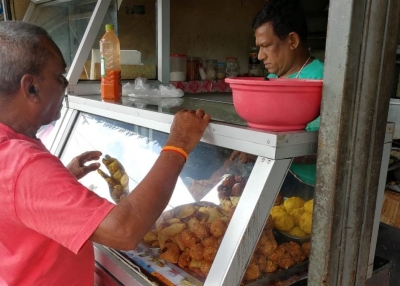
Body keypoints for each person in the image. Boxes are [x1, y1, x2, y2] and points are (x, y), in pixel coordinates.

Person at [0, 21, 210, 285]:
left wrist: (59, 182)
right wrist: (178, 144)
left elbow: (16, 200)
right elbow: (124, 231)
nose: (66, 85)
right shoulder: (25, 166)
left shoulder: (10, 146)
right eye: (59, 77)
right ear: (31, 87)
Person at [230, 0, 324, 198]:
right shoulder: (271, 80)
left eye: (266, 46)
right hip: (274, 177)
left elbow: (325, 150)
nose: (260, 56)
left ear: (292, 41)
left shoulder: (322, 80)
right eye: (258, 47)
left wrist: (261, 148)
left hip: (307, 190)